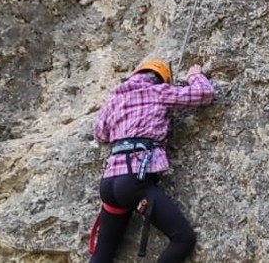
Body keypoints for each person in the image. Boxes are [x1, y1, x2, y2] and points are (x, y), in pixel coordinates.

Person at [88, 58, 216, 263]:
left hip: (109, 183)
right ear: (161, 79)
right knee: (183, 238)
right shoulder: (158, 91)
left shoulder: (114, 97)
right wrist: (194, 75)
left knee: (102, 253)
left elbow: (100, 134)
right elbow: (204, 93)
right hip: (134, 182)